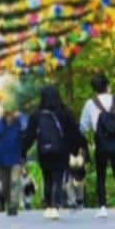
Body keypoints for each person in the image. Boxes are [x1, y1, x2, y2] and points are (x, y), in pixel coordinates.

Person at [22, 85, 85, 220]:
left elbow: (29, 135)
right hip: (61, 150)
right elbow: (73, 132)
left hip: (44, 151)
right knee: (58, 178)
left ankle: (49, 206)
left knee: (47, 178)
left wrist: (22, 151)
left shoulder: (37, 115)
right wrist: (76, 149)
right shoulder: (64, 113)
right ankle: (55, 206)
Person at [79, 72, 115, 217]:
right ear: (107, 85)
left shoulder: (90, 103)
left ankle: (102, 207)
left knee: (101, 175)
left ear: (94, 88)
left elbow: (83, 126)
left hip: (101, 143)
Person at [0, 107, 25, 216]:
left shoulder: (19, 123)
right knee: (5, 184)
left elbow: (27, 126)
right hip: (1, 158)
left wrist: (21, 115)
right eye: (8, 114)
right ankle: (9, 201)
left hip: (15, 157)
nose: (10, 116)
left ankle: (13, 205)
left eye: (12, 114)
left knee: (15, 182)